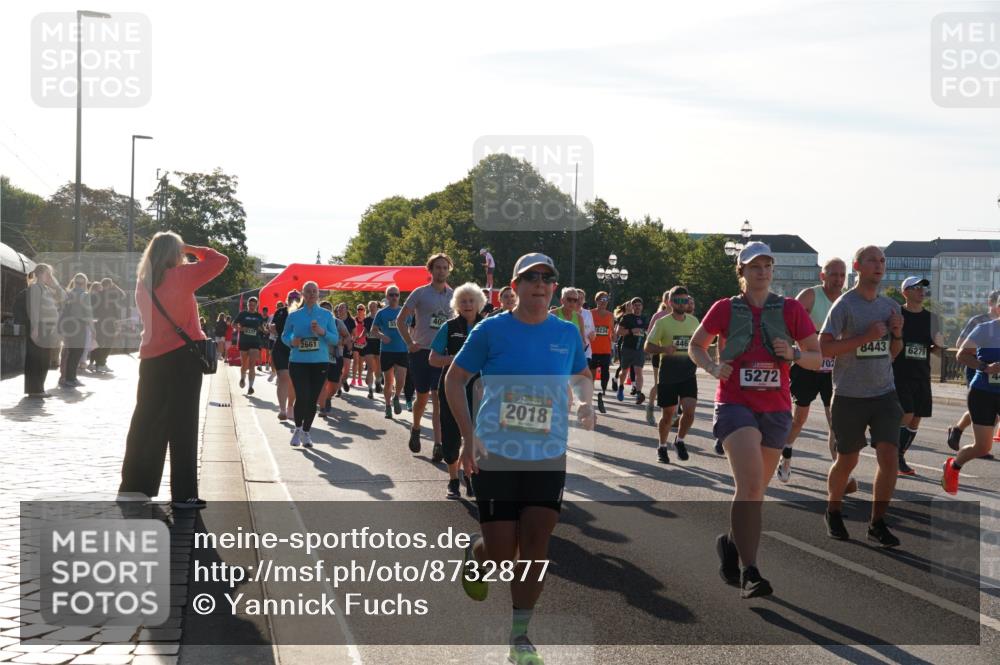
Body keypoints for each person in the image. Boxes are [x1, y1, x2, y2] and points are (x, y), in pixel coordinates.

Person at [445, 253, 593, 665]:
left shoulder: (565, 333)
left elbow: (582, 373)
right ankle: (478, 558)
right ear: (515, 286)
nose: (541, 285)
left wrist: (585, 404)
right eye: (532, 278)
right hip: (495, 452)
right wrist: (468, 437)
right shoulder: (492, 331)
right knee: (500, 550)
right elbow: (454, 380)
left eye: (548, 278)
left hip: (547, 454)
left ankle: (520, 637)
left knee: (536, 542)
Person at [689, 242, 821, 598]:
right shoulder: (725, 309)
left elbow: (816, 356)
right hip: (735, 404)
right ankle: (752, 572)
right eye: (753, 266)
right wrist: (714, 367)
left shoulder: (791, 309)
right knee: (748, 487)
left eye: (767, 266)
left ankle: (730, 546)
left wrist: (793, 353)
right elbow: (696, 345)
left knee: (756, 493)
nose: (761, 272)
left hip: (776, 409)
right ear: (741, 272)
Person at [119, 232, 228, 509]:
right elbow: (219, 260)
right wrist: (192, 247)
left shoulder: (143, 283)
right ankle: (183, 494)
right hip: (183, 358)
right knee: (183, 425)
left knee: (144, 422)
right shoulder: (181, 275)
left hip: (151, 359)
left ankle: (134, 486)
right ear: (174, 253)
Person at [819, 245, 904, 548]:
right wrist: (864, 338)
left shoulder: (889, 306)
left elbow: (893, 353)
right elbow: (825, 347)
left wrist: (896, 334)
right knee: (847, 460)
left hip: (884, 393)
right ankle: (833, 510)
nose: (879, 265)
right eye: (872, 260)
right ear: (858, 266)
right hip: (849, 395)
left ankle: (877, 522)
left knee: (890, 457)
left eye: (882, 261)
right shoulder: (845, 305)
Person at [779, 258, 846, 482]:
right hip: (806, 366)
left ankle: (840, 475)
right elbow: (788, 323)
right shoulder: (810, 296)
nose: (838, 280)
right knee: (799, 419)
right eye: (833, 274)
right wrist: (789, 352)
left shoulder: (846, 301)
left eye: (842, 275)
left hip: (833, 370)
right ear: (823, 276)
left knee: (835, 422)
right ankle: (786, 452)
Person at [429, 283, 485, 498]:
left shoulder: (486, 327)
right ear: (457, 305)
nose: (468, 305)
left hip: (480, 388)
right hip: (452, 386)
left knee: (474, 434)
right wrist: (455, 360)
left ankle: (468, 475)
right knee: (451, 434)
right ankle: (453, 479)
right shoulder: (449, 327)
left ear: (479, 303)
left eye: (472, 301)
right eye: (463, 301)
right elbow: (433, 359)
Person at [397, 253, 454, 457]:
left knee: (438, 398)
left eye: (445, 268)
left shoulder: (453, 295)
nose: (441, 271)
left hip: (442, 354)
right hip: (420, 352)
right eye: (438, 267)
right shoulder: (419, 293)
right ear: (430, 270)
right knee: (421, 397)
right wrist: (410, 343)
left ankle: (438, 444)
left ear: (449, 271)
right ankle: (416, 427)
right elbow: (400, 320)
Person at [893, 276, 946, 475]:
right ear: (905, 292)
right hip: (899, 373)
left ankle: (899, 455)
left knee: (916, 418)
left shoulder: (932, 318)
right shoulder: (897, 313)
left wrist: (938, 346)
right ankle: (892, 455)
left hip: (922, 374)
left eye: (923, 287)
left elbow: (936, 349)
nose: (921, 291)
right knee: (906, 414)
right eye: (916, 288)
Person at [943, 317, 1000, 493]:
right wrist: (986, 367)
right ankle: (954, 466)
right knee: (983, 447)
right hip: (983, 393)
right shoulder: (985, 329)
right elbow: (961, 355)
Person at [645, 286, 700, 463]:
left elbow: (700, 344)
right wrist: (663, 349)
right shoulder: (663, 322)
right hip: (668, 374)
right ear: (671, 302)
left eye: (686, 300)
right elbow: (648, 346)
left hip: (688, 373)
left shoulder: (693, 322)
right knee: (668, 415)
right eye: (679, 300)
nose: (683, 304)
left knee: (690, 411)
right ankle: (662, 446)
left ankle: (680, 440)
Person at [281, 282, 339, 447]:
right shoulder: (294, 315)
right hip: (298, 362)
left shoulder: (327, 315)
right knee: (302, 396)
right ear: (303, 294)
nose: (312, 294)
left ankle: (306, 432)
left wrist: (322, 332)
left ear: (318, 294)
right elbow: (284, 337)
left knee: (312, 399)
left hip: (319, 362)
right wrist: (293, 341)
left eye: (315, 291)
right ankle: (297, 429)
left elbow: (335, 339)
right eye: (308, 291)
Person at [947, 289, 1000, 452]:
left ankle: (971, 437)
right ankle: (967, 435)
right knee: (982, 404)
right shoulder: (979, 322)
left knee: (991, 411)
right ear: (992, 304)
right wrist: (982, 359)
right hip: (977, 369)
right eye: (995, 302)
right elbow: (960, 345)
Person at [16, 263, 64, 397]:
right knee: (36, 359)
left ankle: (38, 388)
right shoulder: (35, 288)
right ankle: (34, 390)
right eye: (48, 273)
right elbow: (34, 309)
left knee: (44, 359)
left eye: (51, 274)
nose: (50, 276)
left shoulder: (47, 289)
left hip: (47, 328)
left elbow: (64, 298)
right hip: (40, 327)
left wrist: (55, 284)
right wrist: (35, 328)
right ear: (40, 274)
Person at [372, 286, 408, 419]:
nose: (394, 297)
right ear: (387, 297)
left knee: (401, 379)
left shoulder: (404, 312)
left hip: (402, 350)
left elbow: (411, 328)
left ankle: (396, 397)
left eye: (396, 295)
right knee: (388, 381)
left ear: (399, 296)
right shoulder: (381, 313)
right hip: (387, 351)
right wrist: (382, 336)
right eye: (391, 295)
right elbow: (374, 330)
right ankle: (387, 406)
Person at [57, 273, 94, 388]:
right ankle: (71, 378)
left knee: (68, 352)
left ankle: (66, 377)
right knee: (77, 352)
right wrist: (93, 329)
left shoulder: (67, 294)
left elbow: (60, 309)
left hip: (67, 325)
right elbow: (88, 313)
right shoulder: (85, 295)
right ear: (85, 283)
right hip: (79, 325)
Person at [316, 301, 352, 419]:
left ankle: (327, 398)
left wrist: (342, 342)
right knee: (322, 382)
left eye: (328, 310)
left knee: (335, 385)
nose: (325, 312)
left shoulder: (338, 322)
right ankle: (322, 407)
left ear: (331, 312)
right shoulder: (315, 323)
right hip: (320, 356)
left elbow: (347, 336)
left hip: (336, 356)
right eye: (323, 309)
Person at [645, 291, 673, 426]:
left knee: (675, 385)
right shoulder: (658, 316)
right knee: (660, 384)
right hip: (659, 354)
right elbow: (649, 336)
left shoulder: (680, 316)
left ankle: (671, 415)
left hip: (676, 356)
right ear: (665, 301)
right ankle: (650, 408)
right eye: (670, 299)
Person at [615, 297, 648, 404]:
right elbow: (618, 331)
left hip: (639, 349)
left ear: (642, 307)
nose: (637, 307)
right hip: (627, 348)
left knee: (639, 372)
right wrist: (631, 331)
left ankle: (639, 393)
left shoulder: (645, 318)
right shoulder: (626, 318)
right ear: (632, 306)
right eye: (635, 305)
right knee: (624, 371)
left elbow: (648, 331)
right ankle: (620, 387)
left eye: (639, 305)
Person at [269, 295, 296, 421]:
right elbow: (273, 327)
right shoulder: (280, 312)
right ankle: (282, 410)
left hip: (296, 349)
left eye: (296, 298)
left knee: (293, 380)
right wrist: (271, 327)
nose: (293, 300)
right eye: (290, 298)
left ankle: (290, 406)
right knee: (284, 377)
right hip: (280, 348)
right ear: (287, 300)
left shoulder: (302, 313)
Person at [234, 297, 266, 395]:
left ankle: (251, 387)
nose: (252, 307)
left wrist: (264, 330)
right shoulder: (243, 314)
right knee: (244, 364)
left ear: (257, 305)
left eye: (254, 305)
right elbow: (234, 324)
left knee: (252, 366)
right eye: (250, 305)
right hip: (244, 342)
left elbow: (262, 327)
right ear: (247, 305)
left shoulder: (259, 316)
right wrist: (240, 328)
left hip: (255, 342)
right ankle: (243, 378)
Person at [92, 278, 125, 372]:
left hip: (98, 322)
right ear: (110, 285)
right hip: (109, 323)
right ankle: (101, 363)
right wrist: (115, 286)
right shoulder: (111, 295)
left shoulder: (97, 295)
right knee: (109, 343)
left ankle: (98, 363)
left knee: (100, 343)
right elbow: (122, 294)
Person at [589, 291, 615, 414]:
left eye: (605, 300)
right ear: (596, 301)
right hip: (593, 349)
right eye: (601, 299)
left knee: (605, 371)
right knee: (592, 374)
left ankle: (603, 391)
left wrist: (614, 337)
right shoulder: (590, 313)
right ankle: (590, 394)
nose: (603, 302)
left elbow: (611, 331)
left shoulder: (610, 315)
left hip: (605, 349)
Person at [363, 300, 382, 399]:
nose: (372, 307)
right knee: (371, 368)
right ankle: (370, 390)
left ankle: (378, 381)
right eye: (370, 306)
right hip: (369, 344)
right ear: (369, 308)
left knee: (378, 367)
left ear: (377, 307)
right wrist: (359, 338)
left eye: (374, 306)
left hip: (379, 344)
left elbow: (385, 331)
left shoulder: (381, 318)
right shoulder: (366, 320)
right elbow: (365, 330)